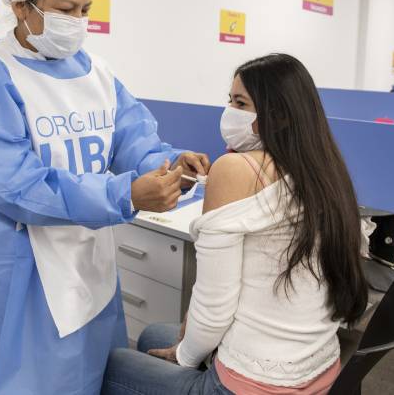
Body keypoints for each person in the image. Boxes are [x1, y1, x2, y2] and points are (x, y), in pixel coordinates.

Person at [0, 0, 212, 393]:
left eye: (86, 9)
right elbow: (15, 184)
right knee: (11, 375)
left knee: (84, 367)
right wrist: (124, 193)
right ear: (21, 6)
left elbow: (131, 139)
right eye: (66, 8)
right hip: (12, 253)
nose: (79, 21)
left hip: (84, 244)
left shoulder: (97, 73)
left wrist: (170, 163)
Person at [102, 54, 373, 395]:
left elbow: (215, 305)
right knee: (153, 336)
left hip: (253, 384)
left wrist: (183, 356)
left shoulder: (236, 168)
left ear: (279, 114)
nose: (229, 111)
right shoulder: (325, 171)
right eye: (229, 100)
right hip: (319, 370)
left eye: (240, 103)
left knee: (114, 366)